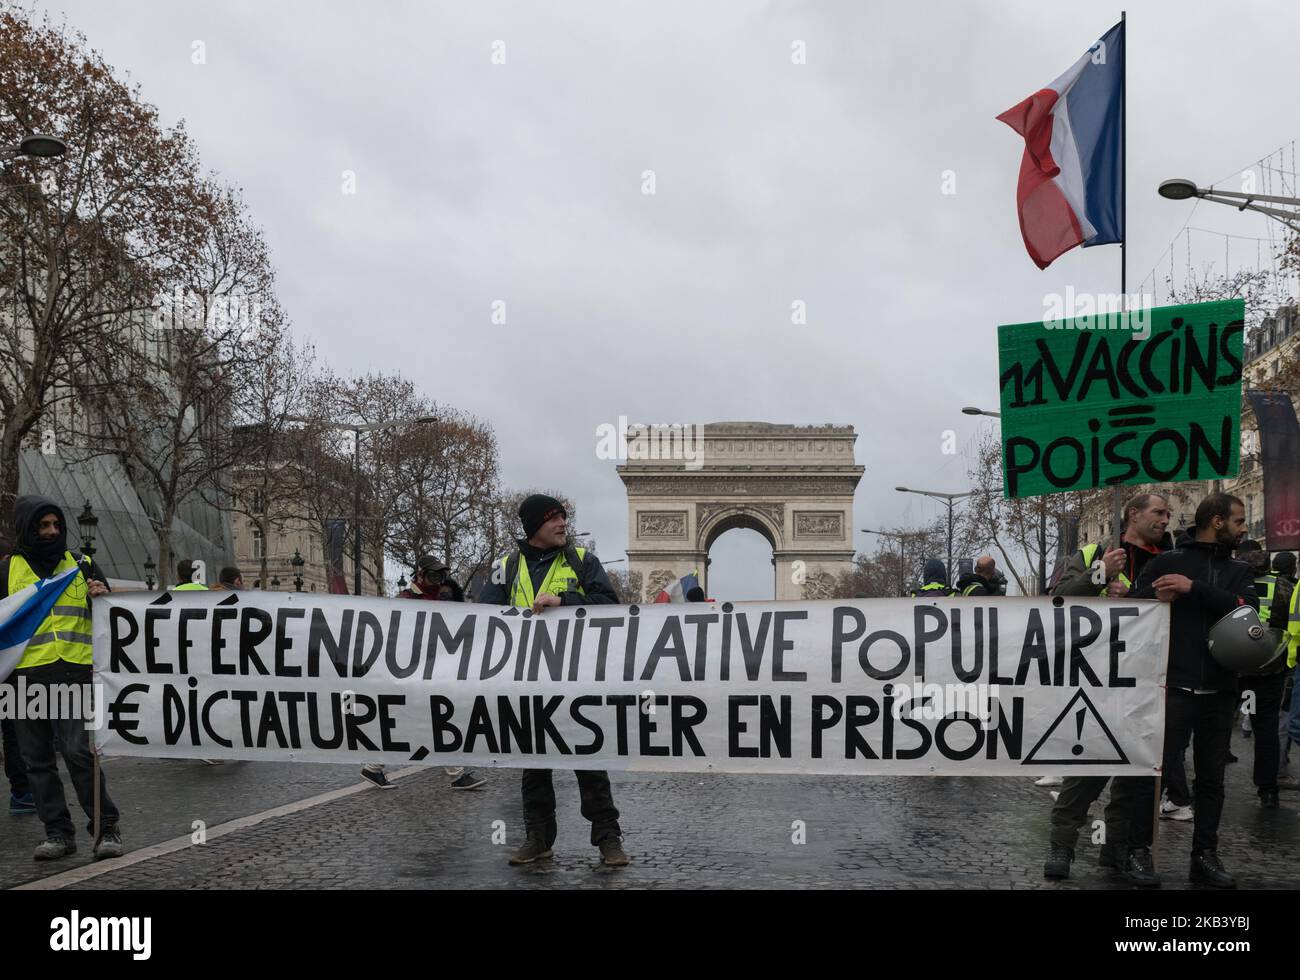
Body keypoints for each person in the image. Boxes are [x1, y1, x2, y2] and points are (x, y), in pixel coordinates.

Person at [476, 493, 629, 867]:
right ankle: (538, 838)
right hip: (526, 680)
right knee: (534, 764)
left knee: (590, 762)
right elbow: (479, 618)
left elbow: (610, 607)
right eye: (554, 519)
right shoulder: (506, 567)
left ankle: (608, 838)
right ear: (533, 528)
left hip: (577, 678)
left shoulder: (583, 561)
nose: (563, 524)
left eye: (564, 517)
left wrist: (566, 601)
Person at [1131, 492, 1258, 888]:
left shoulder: (1239, 569)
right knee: (1151, 774)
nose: (1244, 529)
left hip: (1219, 690)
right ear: (1217, 521)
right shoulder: (1167, 561)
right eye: (1238, 521)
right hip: (1169, 686)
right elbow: (1130, 611)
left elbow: (1246, 611)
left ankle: (1204, 855)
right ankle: (1137, 851)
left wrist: (1194, 589)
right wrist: (1155, 595)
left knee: (1211, 780)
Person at [1043, 492, 1170, 885]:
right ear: (1132, 514)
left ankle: (1123, 852)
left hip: (1148, 679)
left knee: (1138, 772)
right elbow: (1058, 599)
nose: (1165, 520)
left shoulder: (1170, 558)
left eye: (1168, 514)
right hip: (1096, 677)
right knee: (1087, 764)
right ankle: (1062, 847)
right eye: (1158, 512)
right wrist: (1100, 574)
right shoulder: (1095, 552)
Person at [1, 495, 123, 860]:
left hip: (74, 673)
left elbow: (111, 619)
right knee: (35, 760)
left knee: (77, 753)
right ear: (27, 528)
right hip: (23, 680)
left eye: (56, 525)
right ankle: (58, 833)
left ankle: (106, 828)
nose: (52, 532)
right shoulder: (6, 572)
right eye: (43, 526)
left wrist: (100, 597)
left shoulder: (83, 565)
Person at [360, 555, 486, 791]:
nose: (438, 580)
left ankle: (373, 767)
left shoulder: (437, 597)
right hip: (413, 672)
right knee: (438, 719)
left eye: (441, 575)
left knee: (413, 721)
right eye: (433, 575)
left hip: (432, 670)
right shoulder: (405, 600)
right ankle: (456, 774)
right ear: (419, 575)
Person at [1234, 541, 1292, 808]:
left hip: (1232, 665)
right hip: (1269, 666)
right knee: (1266, 730)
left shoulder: (1231, 581)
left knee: (1215, 728)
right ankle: (1268, 790)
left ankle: (1205, 786)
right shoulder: (1282, 585)